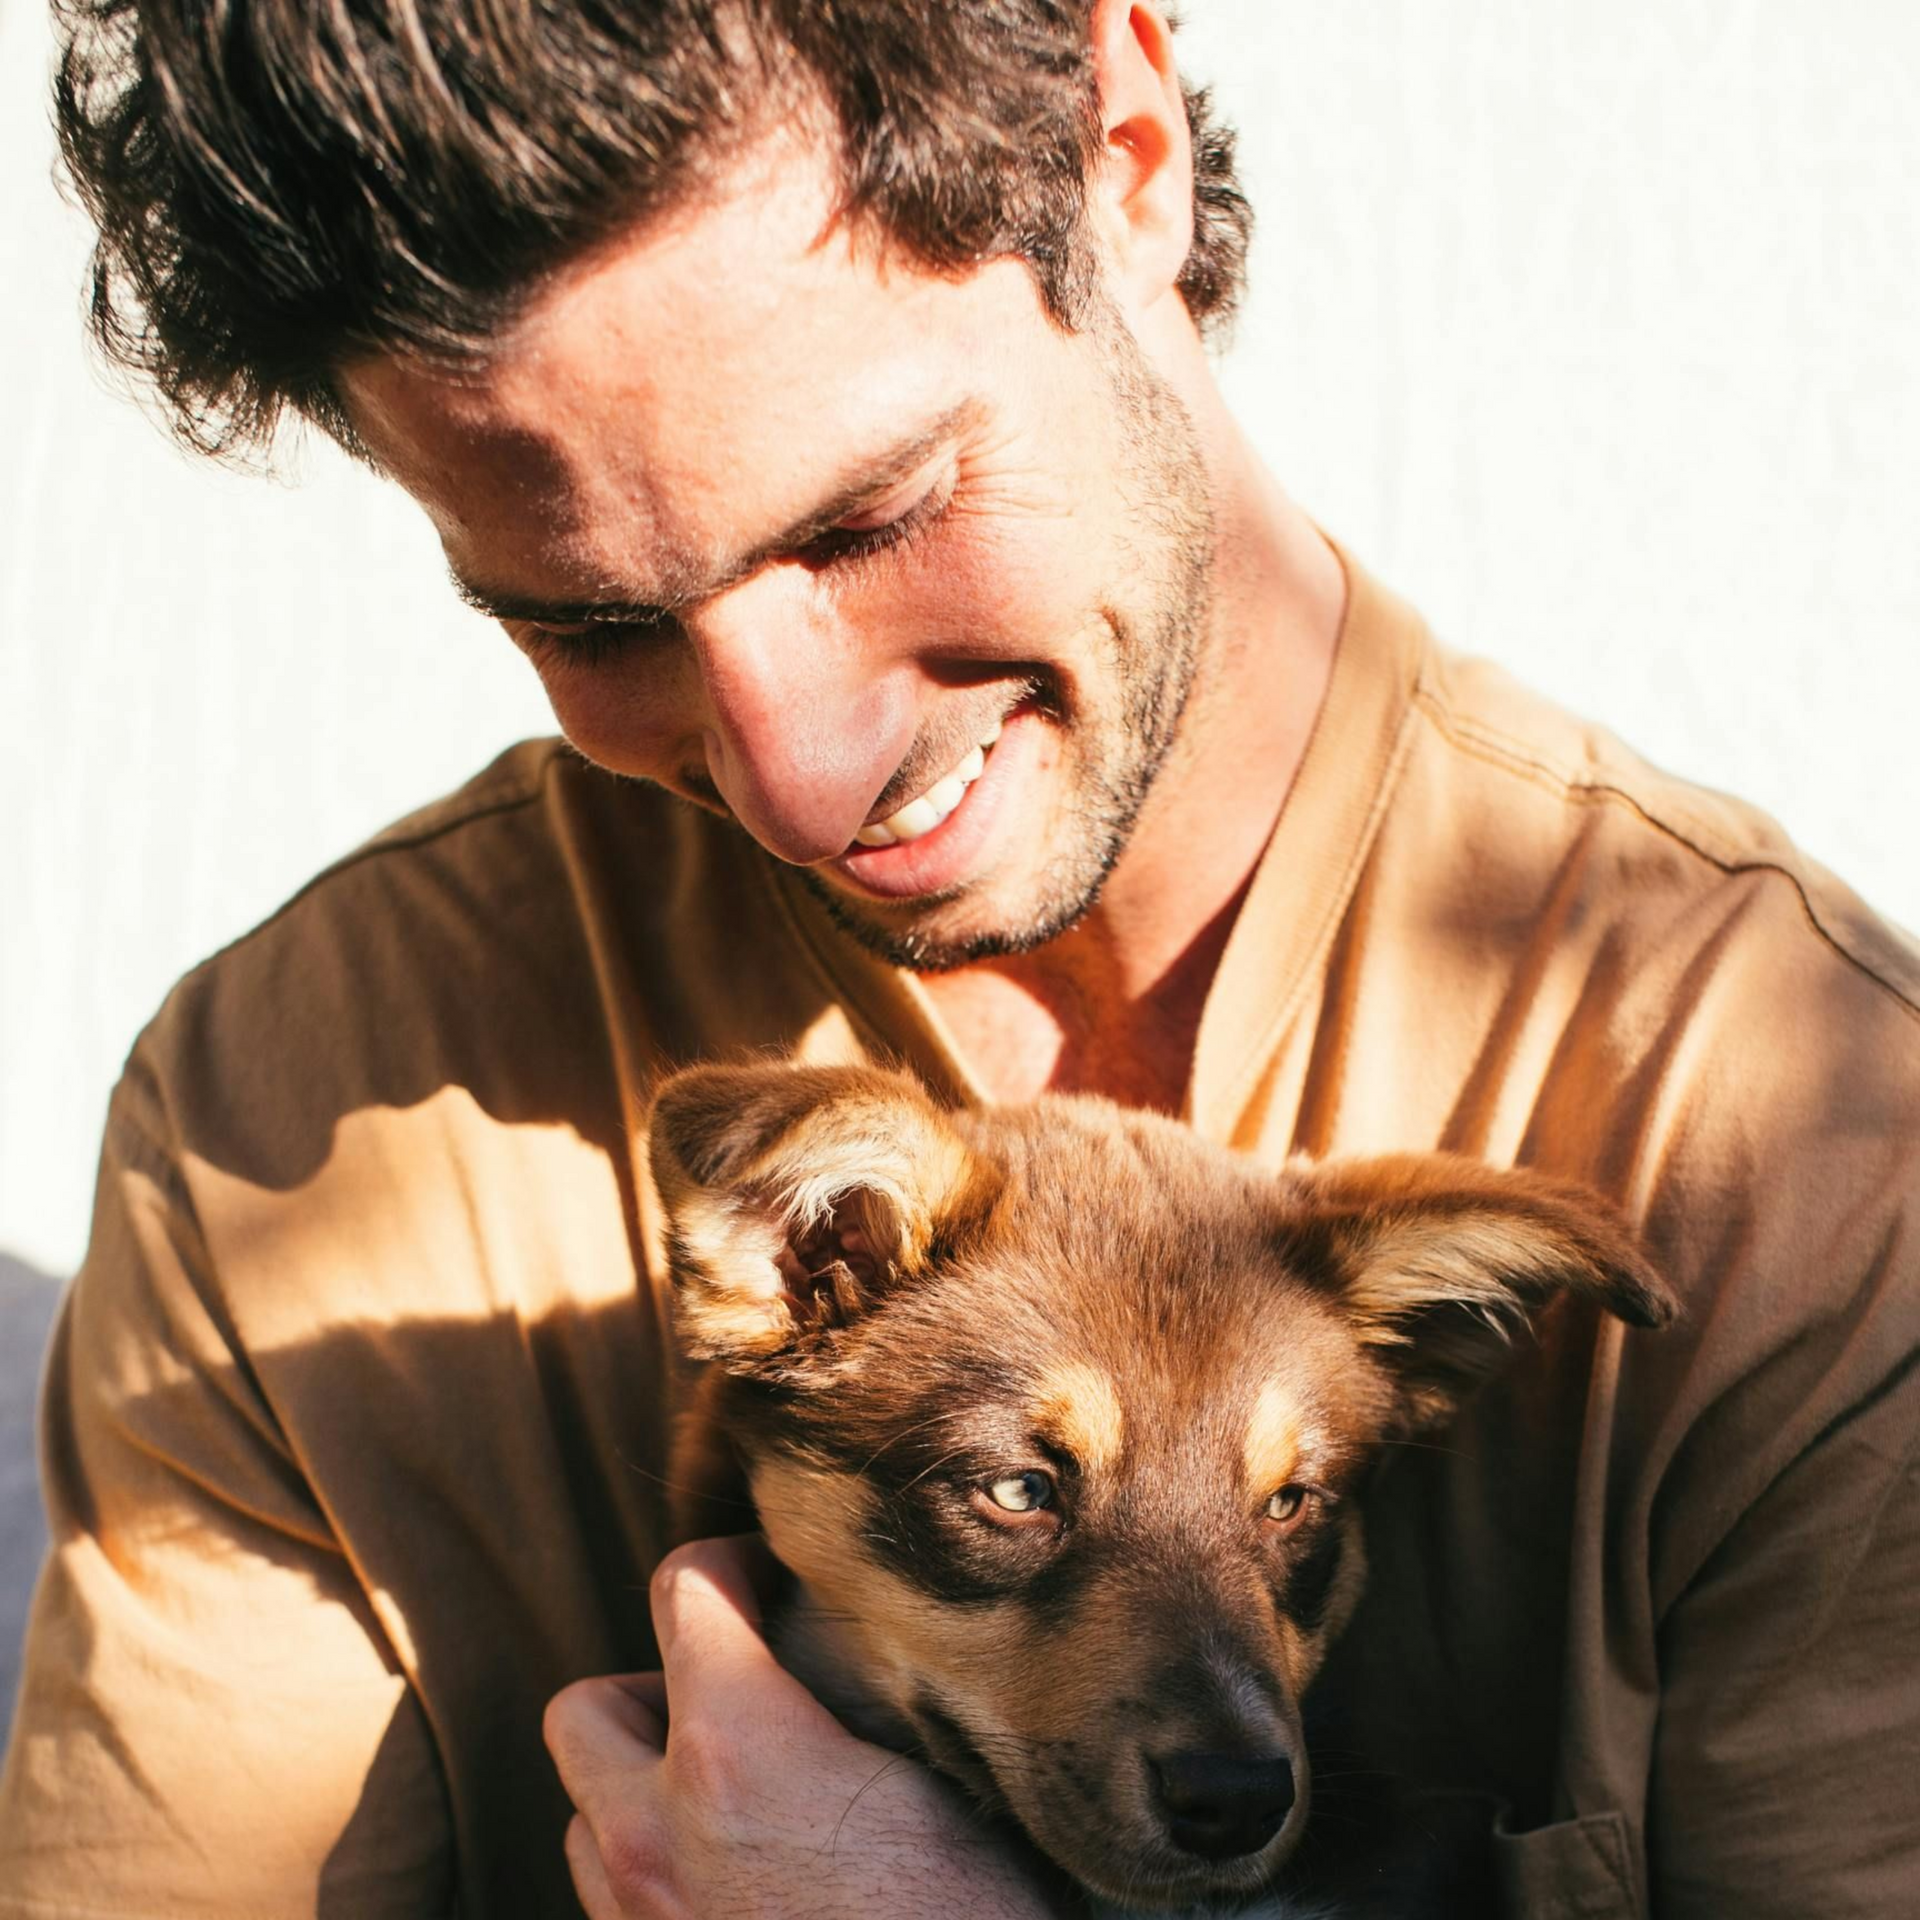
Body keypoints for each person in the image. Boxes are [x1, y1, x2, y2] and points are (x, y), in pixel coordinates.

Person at [3, 1, 1915, 1915]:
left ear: (1128, 154)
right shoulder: (284, 1119)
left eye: (871, 516)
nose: (793, 767)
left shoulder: (1810, 1150)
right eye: (591, 623)